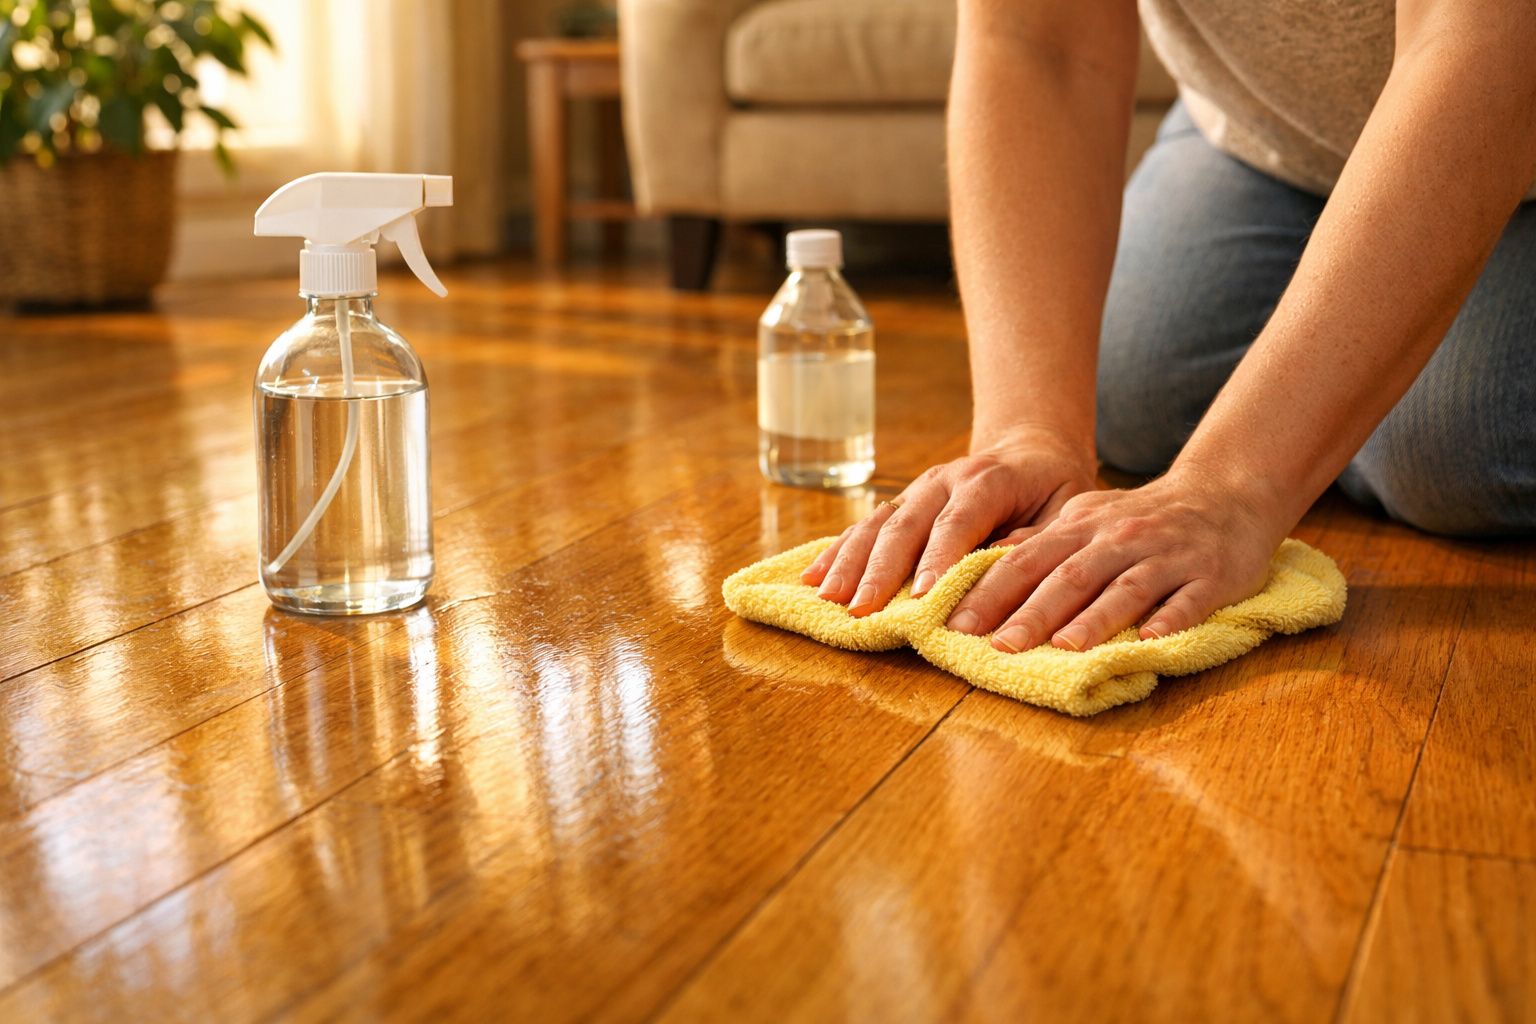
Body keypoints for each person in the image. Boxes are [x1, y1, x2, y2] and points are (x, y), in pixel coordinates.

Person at [802, 0, 1536, 653]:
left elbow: (1479, 41)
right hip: (1267, 129)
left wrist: (1231, 490)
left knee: (1441, 447)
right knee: (1126, 389)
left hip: (1503, 89)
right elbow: (1036, 37)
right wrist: (1026, 430)